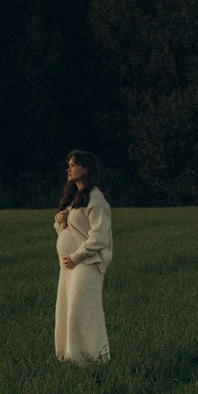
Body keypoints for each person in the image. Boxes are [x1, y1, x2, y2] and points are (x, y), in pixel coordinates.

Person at [53, 149, 112, 365]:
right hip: (69, 266)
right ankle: (70, 357)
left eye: (73, 165)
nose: (68, 169)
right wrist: (60, 221)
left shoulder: (96, 198)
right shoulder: (75, 197)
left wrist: (77, 256)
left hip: (86, 264)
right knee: (68, 310)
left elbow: (99, 237)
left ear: (86, 169)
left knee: (83, 312)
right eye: (68, 165)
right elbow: (72, 230)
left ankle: (93, 359)